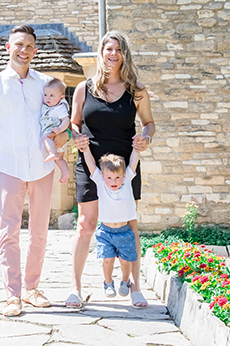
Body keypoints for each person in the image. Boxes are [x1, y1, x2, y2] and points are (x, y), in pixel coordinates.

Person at [0, 24, 67, 317]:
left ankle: (31, 289)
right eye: (19, 45)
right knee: (9, 232)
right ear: (8, 47)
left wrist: (61, 143)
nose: (24, 50)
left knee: (39, 231)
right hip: (9, 169)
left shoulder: (45, 84)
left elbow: (59, 120)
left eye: (29, 46)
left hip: (42, 168)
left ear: (35, 50)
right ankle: (12, 295)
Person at [65, 31, 155, 309]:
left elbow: (149, 123)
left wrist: (147, 138)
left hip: (124, 168)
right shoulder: (84, 88)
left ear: (124, 54)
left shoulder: (136, 90)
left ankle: (136, 288)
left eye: (118, 49)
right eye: (108, 49)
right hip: (91, 164)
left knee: (130, 226)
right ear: (100, 53)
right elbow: (74, 123)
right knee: (86, 225)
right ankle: (75, 289)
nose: (113, 54)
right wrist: (76, 136)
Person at [82, 139, 140, 300]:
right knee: (107, 260)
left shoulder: (127, 179)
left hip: (125, 231)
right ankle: (108, 283)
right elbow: (91, 165)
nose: (113, 182)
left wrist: (136, 148)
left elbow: (134, 161)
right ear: (103, 176)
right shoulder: (100, 181)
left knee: (125, 261)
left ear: (123, 175)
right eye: (109, 178)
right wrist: (86, 149)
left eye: (117, 177)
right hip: (105, 232)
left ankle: (125, 281)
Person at [40, 78, 71, 184]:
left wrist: (60, 129)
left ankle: (52, 152)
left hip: (54, 134)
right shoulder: (48, 106)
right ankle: (65, 171)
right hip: (57, 139)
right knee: (60, 159)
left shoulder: (59, 108)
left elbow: (66, 120)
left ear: (62, 97)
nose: (48, 98)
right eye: (45, 95)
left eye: (52, 96)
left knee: (45, 138)